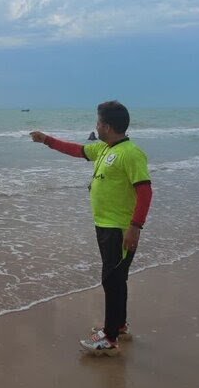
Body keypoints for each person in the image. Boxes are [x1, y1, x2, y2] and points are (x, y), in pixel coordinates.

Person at [30, 100, 152, 356]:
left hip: (119, 228)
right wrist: (47, 140)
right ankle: (118, 325)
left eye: (98, 122)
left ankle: (109, 339)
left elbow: (145, 191)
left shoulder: (130, 153)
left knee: (111, 279)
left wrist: (135, 227)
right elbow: (76, 149)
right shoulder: (104, 149)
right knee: (117, 279)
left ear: (106, 126)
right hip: (105, 225)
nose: (95, 126)